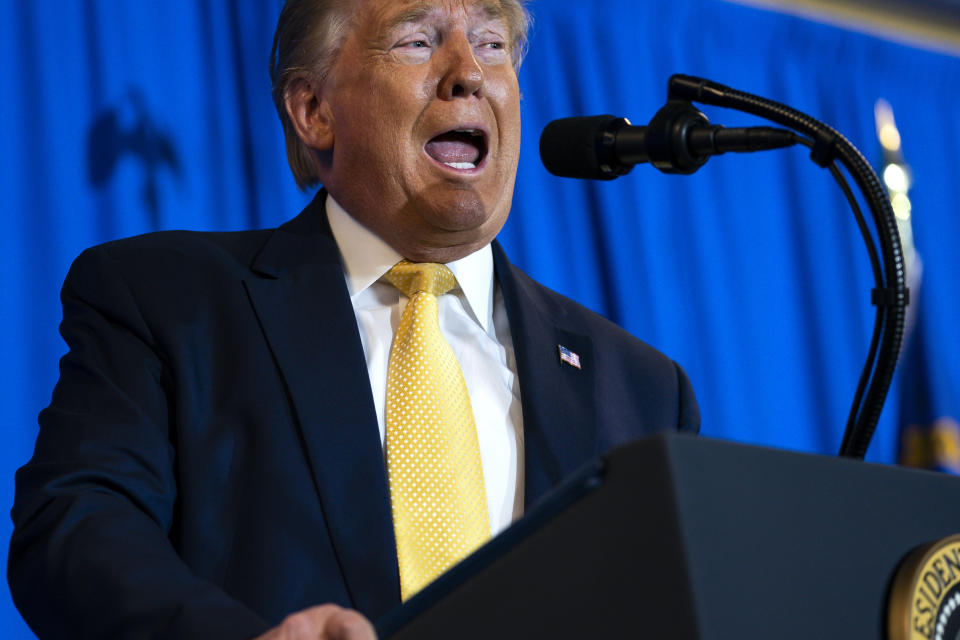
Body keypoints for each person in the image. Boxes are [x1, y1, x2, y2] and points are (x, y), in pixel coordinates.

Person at [8, 0, 699, 638]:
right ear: (314, 111)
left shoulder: (639, 387)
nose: (469, 73)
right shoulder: (170, 300)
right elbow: (75, 529)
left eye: (492, 44)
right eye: (418, 41)